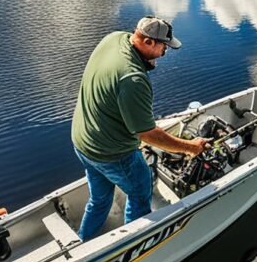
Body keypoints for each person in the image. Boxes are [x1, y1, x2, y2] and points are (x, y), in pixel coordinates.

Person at [71, 16, 207, 242]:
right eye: (164, 46)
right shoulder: (133, 78)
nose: (165, 52)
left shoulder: (113, 39)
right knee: (140, 190)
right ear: (148, 42)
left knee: (100, 199)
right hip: (112, 154)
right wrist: (190, 147)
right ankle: (134, 243)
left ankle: (83, 242)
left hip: (84, 142)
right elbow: (147, 134)